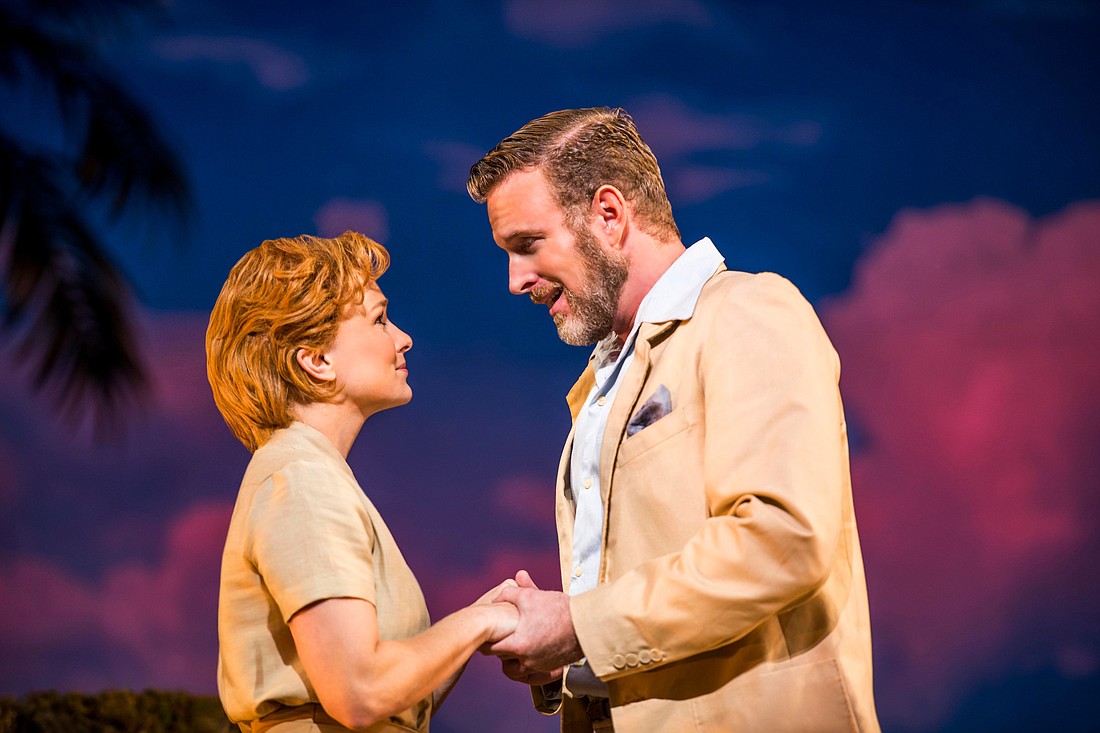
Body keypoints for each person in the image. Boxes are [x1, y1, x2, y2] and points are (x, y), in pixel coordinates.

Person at [466, 108, 881, 732]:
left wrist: (578, 625)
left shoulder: (747, 311)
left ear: (609, 214)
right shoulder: (607, 380)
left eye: (527, 245)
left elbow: (782, 538)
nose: (514, 280)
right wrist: (563, 655)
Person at [206, 231, 518, 733]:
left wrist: (480, 622)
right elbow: (359, 693)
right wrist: (481, 623)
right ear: (316, 360)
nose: (402, 337)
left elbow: (389, 702)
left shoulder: (312, 472)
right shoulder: (302, 479)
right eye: (378, 319)